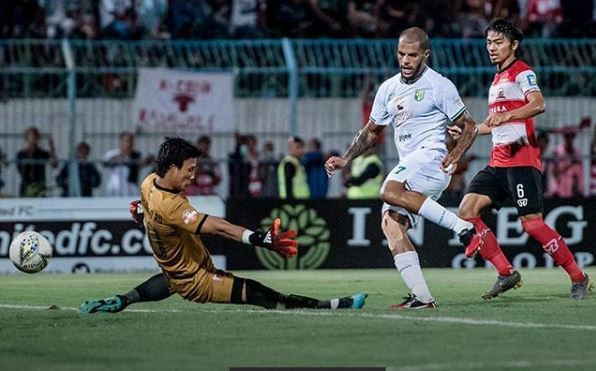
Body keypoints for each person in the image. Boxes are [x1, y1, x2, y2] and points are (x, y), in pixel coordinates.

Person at [79, 137, 366, 315]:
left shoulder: (148, 182)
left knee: (173, 279)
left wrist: (139, 213)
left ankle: (122, 299)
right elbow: (217, 227)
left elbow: (147, 210)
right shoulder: (174, 206)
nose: (193, 176)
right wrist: (259, 238)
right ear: (173, 168)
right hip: (198, 280)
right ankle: (331, 306)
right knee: (259, 293)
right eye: (190, 170)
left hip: (174, 272)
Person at [325, 27, 481, 309]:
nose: (406, 60)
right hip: (412, 167)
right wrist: (347, 158)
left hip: (432, 158)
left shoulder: (439, 85)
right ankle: (422, 297)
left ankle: (463, 227)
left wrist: (455, 154)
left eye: (412, 55)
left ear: (425, 55)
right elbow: (371, 131)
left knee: (388, 189)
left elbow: (469, 125)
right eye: (401, 54)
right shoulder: (388, 88)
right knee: (391, 225)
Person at [451, 18, 592, 300]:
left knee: (532, 224)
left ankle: (579, 277)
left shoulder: (521, 72)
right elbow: (496, 124)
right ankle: (506, 272)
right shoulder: (496, 80)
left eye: (498, 42)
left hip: (521, 161)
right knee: (466, 211)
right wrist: (471, 130)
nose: (492, 48)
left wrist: (508, 115)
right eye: (489, 42)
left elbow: (538, 104)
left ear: (514, 45)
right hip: (498, 163)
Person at [16, 126, 57, 197]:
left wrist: (52, 147)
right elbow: (21, 171)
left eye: (35, 136)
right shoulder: (21, 154)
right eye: (30, 136)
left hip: (40, 185)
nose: (33, 139)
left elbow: (54, 164)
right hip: (26, 185)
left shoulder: (43, 153)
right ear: (26, 138)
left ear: (38, 138)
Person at [103, 131, 142, 197]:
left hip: (132, 189)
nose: (130, 144)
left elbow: (146, 161)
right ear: (121, 142)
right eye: (127, 141)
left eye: (131, 141)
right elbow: (104, 162)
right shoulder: (113, 154)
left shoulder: (137, 155)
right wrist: (119, 159)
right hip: (115, 189)